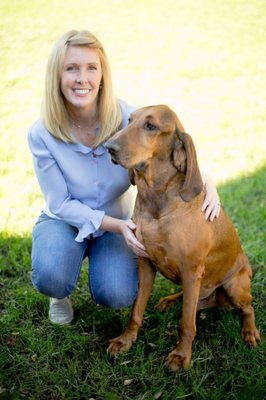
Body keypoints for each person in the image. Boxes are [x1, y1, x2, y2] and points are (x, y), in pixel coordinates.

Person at [28, 30, 221, 325]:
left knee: (116, 293)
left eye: (91, 68)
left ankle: (102, 262)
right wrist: (119, 225)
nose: (83, 78)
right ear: (57, 76)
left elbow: (173, 147)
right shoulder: (42, 133)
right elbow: (60, 202)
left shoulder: (129, 119)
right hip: (65, 220)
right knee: (51, 274)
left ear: (102, 75)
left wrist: (207, 179)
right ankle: (60, 293)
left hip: (115, 225)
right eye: (71, 68)